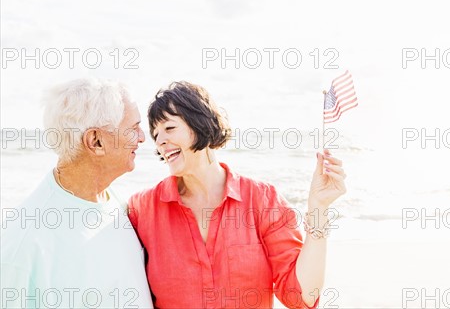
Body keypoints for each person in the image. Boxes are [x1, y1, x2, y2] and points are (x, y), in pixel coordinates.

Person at [128, 81, 347, 309]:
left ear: (200, 123)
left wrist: (318, 207)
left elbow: (301, 297)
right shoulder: (142, 210)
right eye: (155, 134)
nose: (160, 141)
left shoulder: (262, 200)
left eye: (169, 128)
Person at [0, 78, 153, 309]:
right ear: (96, 141)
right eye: (133, 128)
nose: (142, 137)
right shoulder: (25, 244)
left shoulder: (117, 204)